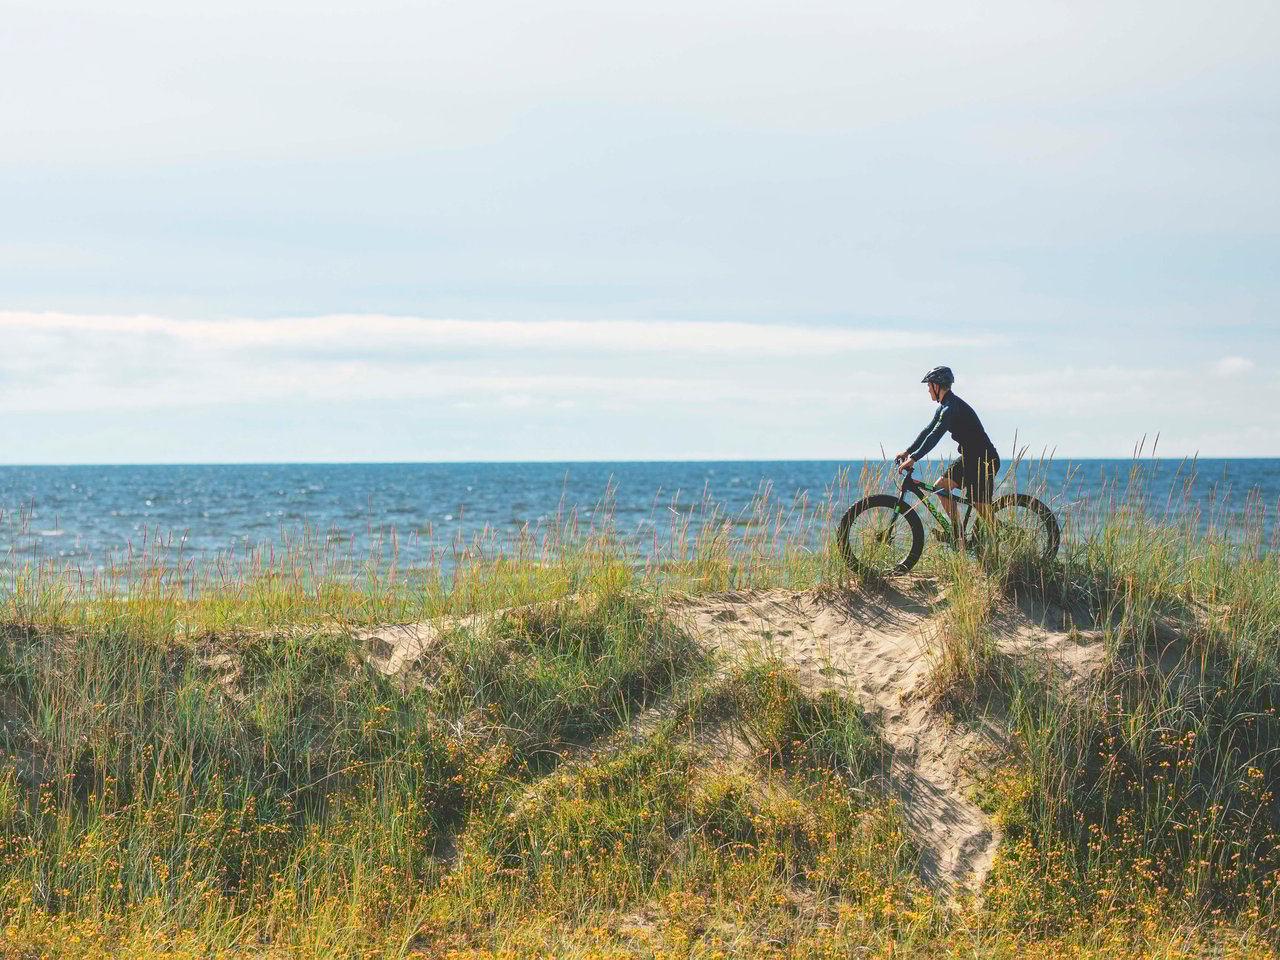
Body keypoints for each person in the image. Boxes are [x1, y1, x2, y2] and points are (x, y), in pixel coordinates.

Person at [894, 366, 1000, 542]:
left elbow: (935, 436)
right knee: (941, 487)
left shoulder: (951, 408)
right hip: (970, 458)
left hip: (984, 460)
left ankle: (1006, 536)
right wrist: (908, 451)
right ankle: (957, 534)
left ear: (937, 385)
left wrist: (913, 459)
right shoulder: (944, 407)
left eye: (929, 386)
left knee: (982, 508)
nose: (928, 390)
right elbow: (928, 431)